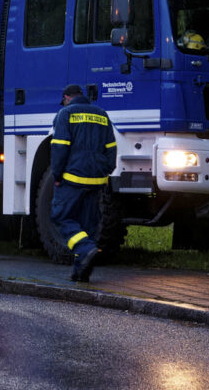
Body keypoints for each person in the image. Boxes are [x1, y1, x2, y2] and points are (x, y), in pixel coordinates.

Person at [50, 84, 117, 282]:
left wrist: (57, 175)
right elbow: (111, 149)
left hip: (72, 178)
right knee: (87, 226)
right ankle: (81, 271)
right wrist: (106, 171)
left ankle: (86, 249)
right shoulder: (102, 115)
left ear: (66, 98)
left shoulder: (65, 114)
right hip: (97, 179)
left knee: (61, 217)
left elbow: (60, 148)